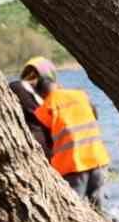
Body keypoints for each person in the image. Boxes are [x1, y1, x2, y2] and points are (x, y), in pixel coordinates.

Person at [20, 56, 110, 209]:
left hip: (72, 166)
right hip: (98, 160)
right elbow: (95, 115)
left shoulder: (45, 108)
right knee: (100, 208)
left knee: (77, 210)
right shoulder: (80, 95)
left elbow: (44, 138)